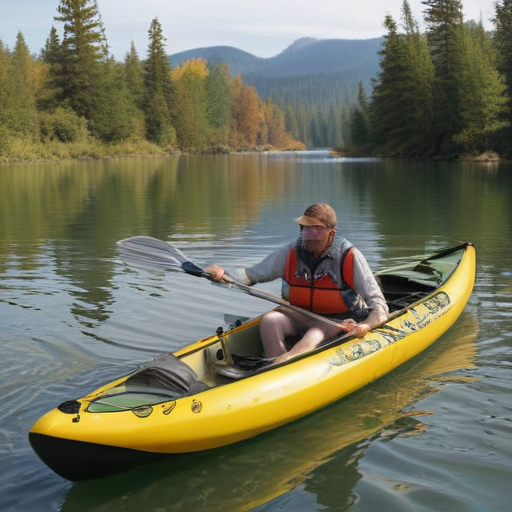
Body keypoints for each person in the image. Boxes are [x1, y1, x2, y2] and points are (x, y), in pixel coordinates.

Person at [206, 203, 388, 363]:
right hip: (300, 316)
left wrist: (367, 325)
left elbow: (379, 305)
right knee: (270, 320)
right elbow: (251, 275)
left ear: (331, 233)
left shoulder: (349, 257)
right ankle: (274, 364)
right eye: (305, 228)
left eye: (316, 229)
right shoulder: (291, 251)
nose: (309, 235)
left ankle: (286, 363)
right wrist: (224, 273)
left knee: (316, 333)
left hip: (338, 322)